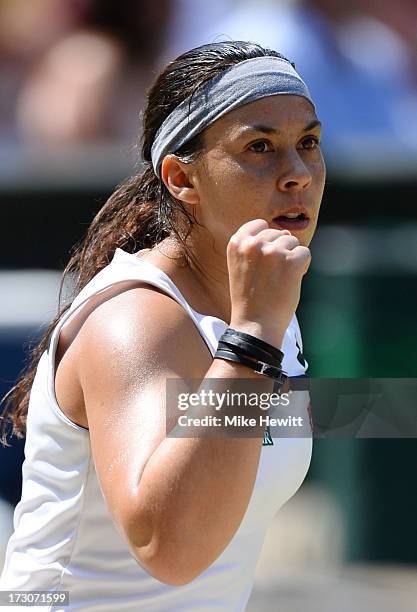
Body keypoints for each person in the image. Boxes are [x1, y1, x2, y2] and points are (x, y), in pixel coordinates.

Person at [0, 41, 325, 610]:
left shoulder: (262, 302)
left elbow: (276, 426)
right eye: (259, 147)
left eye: (308, 143)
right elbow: (168, 547)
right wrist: (250, 340)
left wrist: (393, 406)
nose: (297, 173)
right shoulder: (134, 321)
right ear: (181, 178)